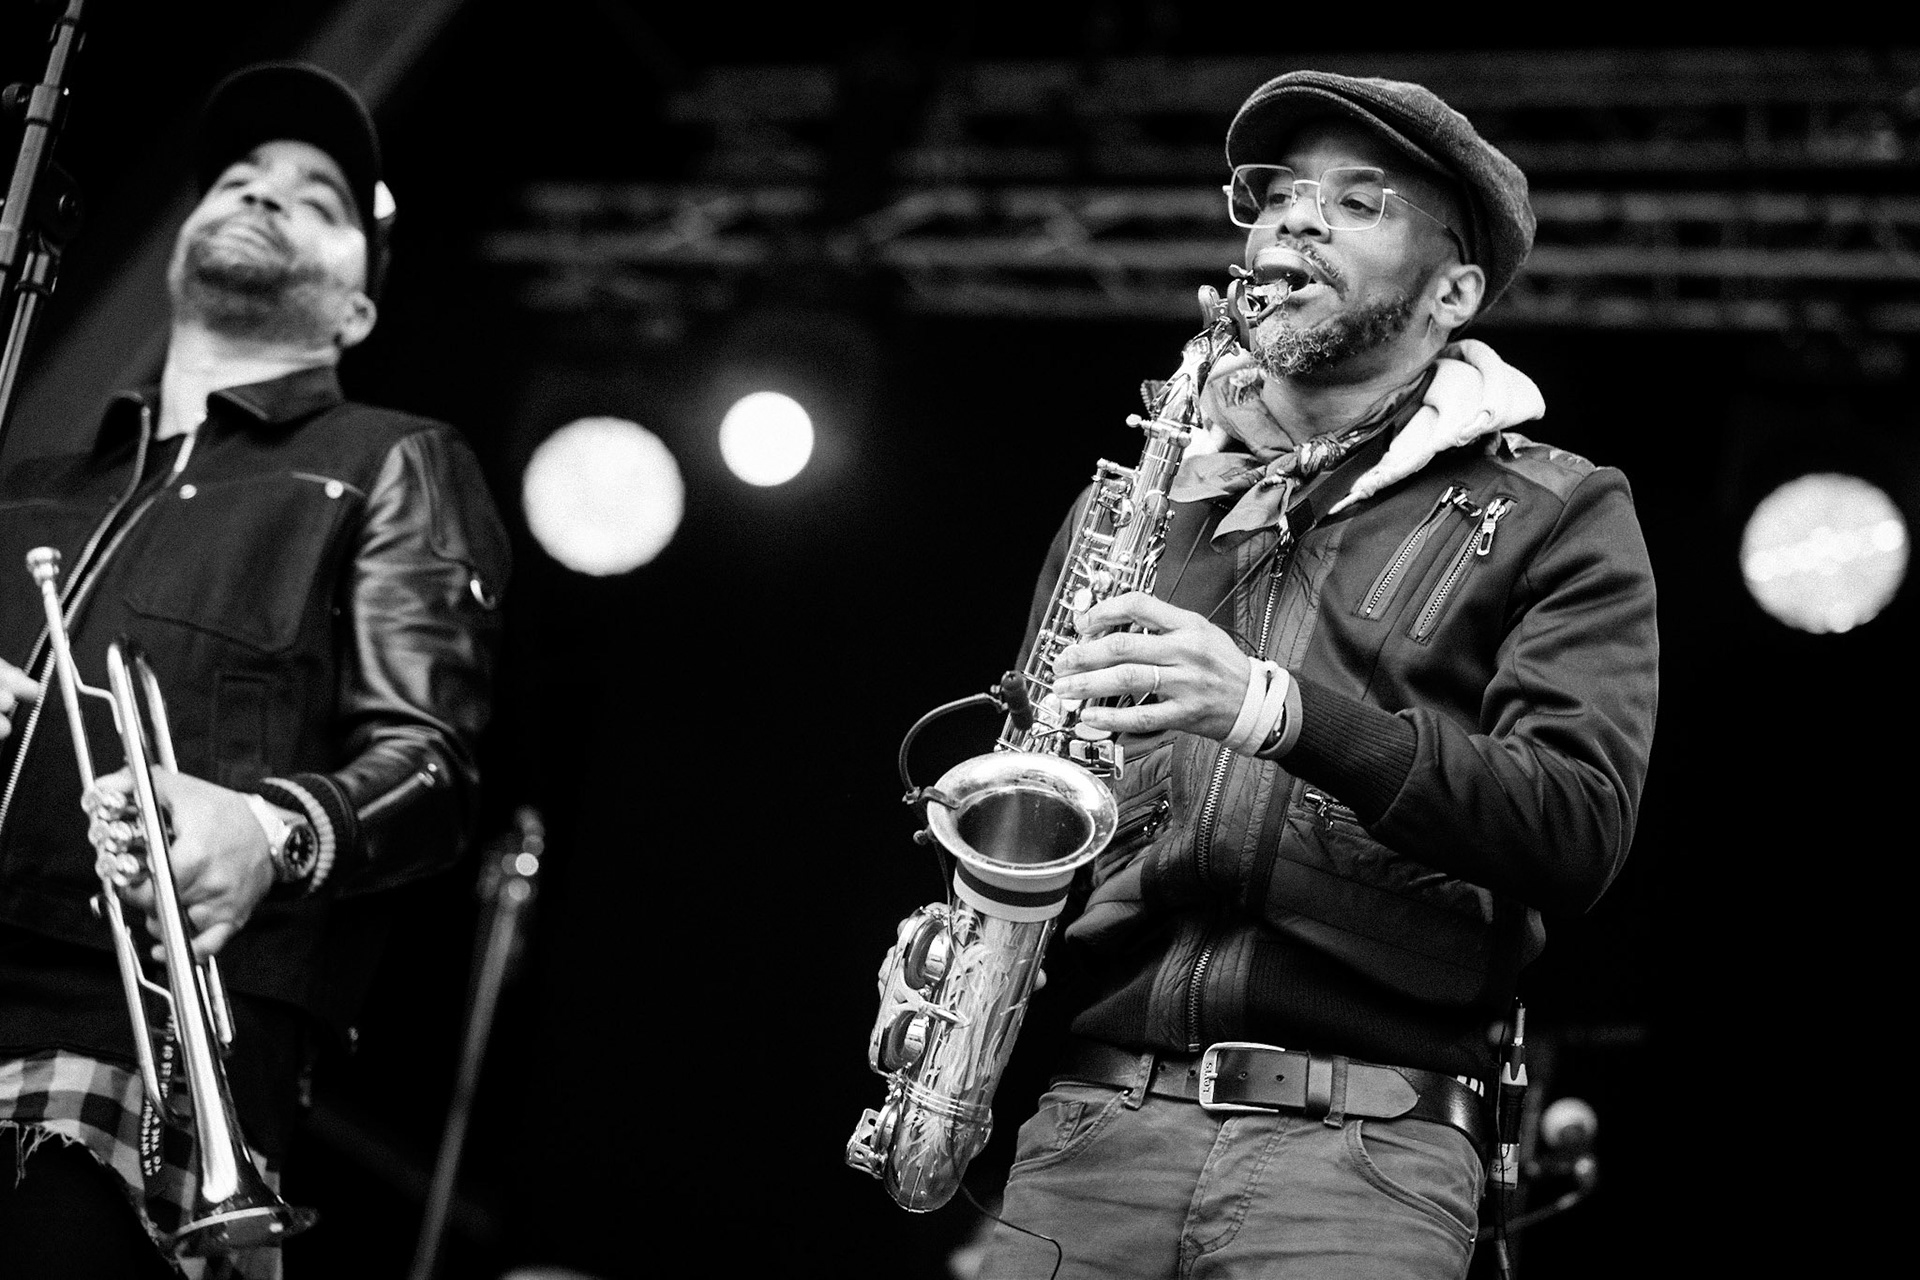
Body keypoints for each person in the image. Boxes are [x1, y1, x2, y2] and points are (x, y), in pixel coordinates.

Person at [973, 70, 1657, 1280]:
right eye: (1277, 193)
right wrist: (966, 940)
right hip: (1089, 1126)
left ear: (1453, 290)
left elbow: (1576, 823)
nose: (1294, 218)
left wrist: (1274, 711)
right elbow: (1037, 801)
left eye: (1357, 201)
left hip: (1366, 1155)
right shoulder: (1131, 504)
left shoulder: (1559, 506)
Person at [0, 62, 509, 1278]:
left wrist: (272, 828)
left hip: (117, 1056)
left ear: (355, 313)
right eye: (239, 176)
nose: (264, 190)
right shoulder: (29, 490)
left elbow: (432, 765)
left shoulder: (392, 461)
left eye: (317, 196)